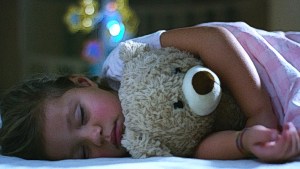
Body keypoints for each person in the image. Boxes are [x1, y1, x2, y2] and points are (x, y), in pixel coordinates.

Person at [0, 22, 299, 162]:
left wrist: (259, 112)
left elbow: (212, 39)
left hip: (261, 70)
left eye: (81, 116)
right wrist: (244, 141)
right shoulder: (138, 147)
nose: (95, 137)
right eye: (82, 152)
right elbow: (194, 148)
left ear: (81, 82)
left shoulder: (123, 63)